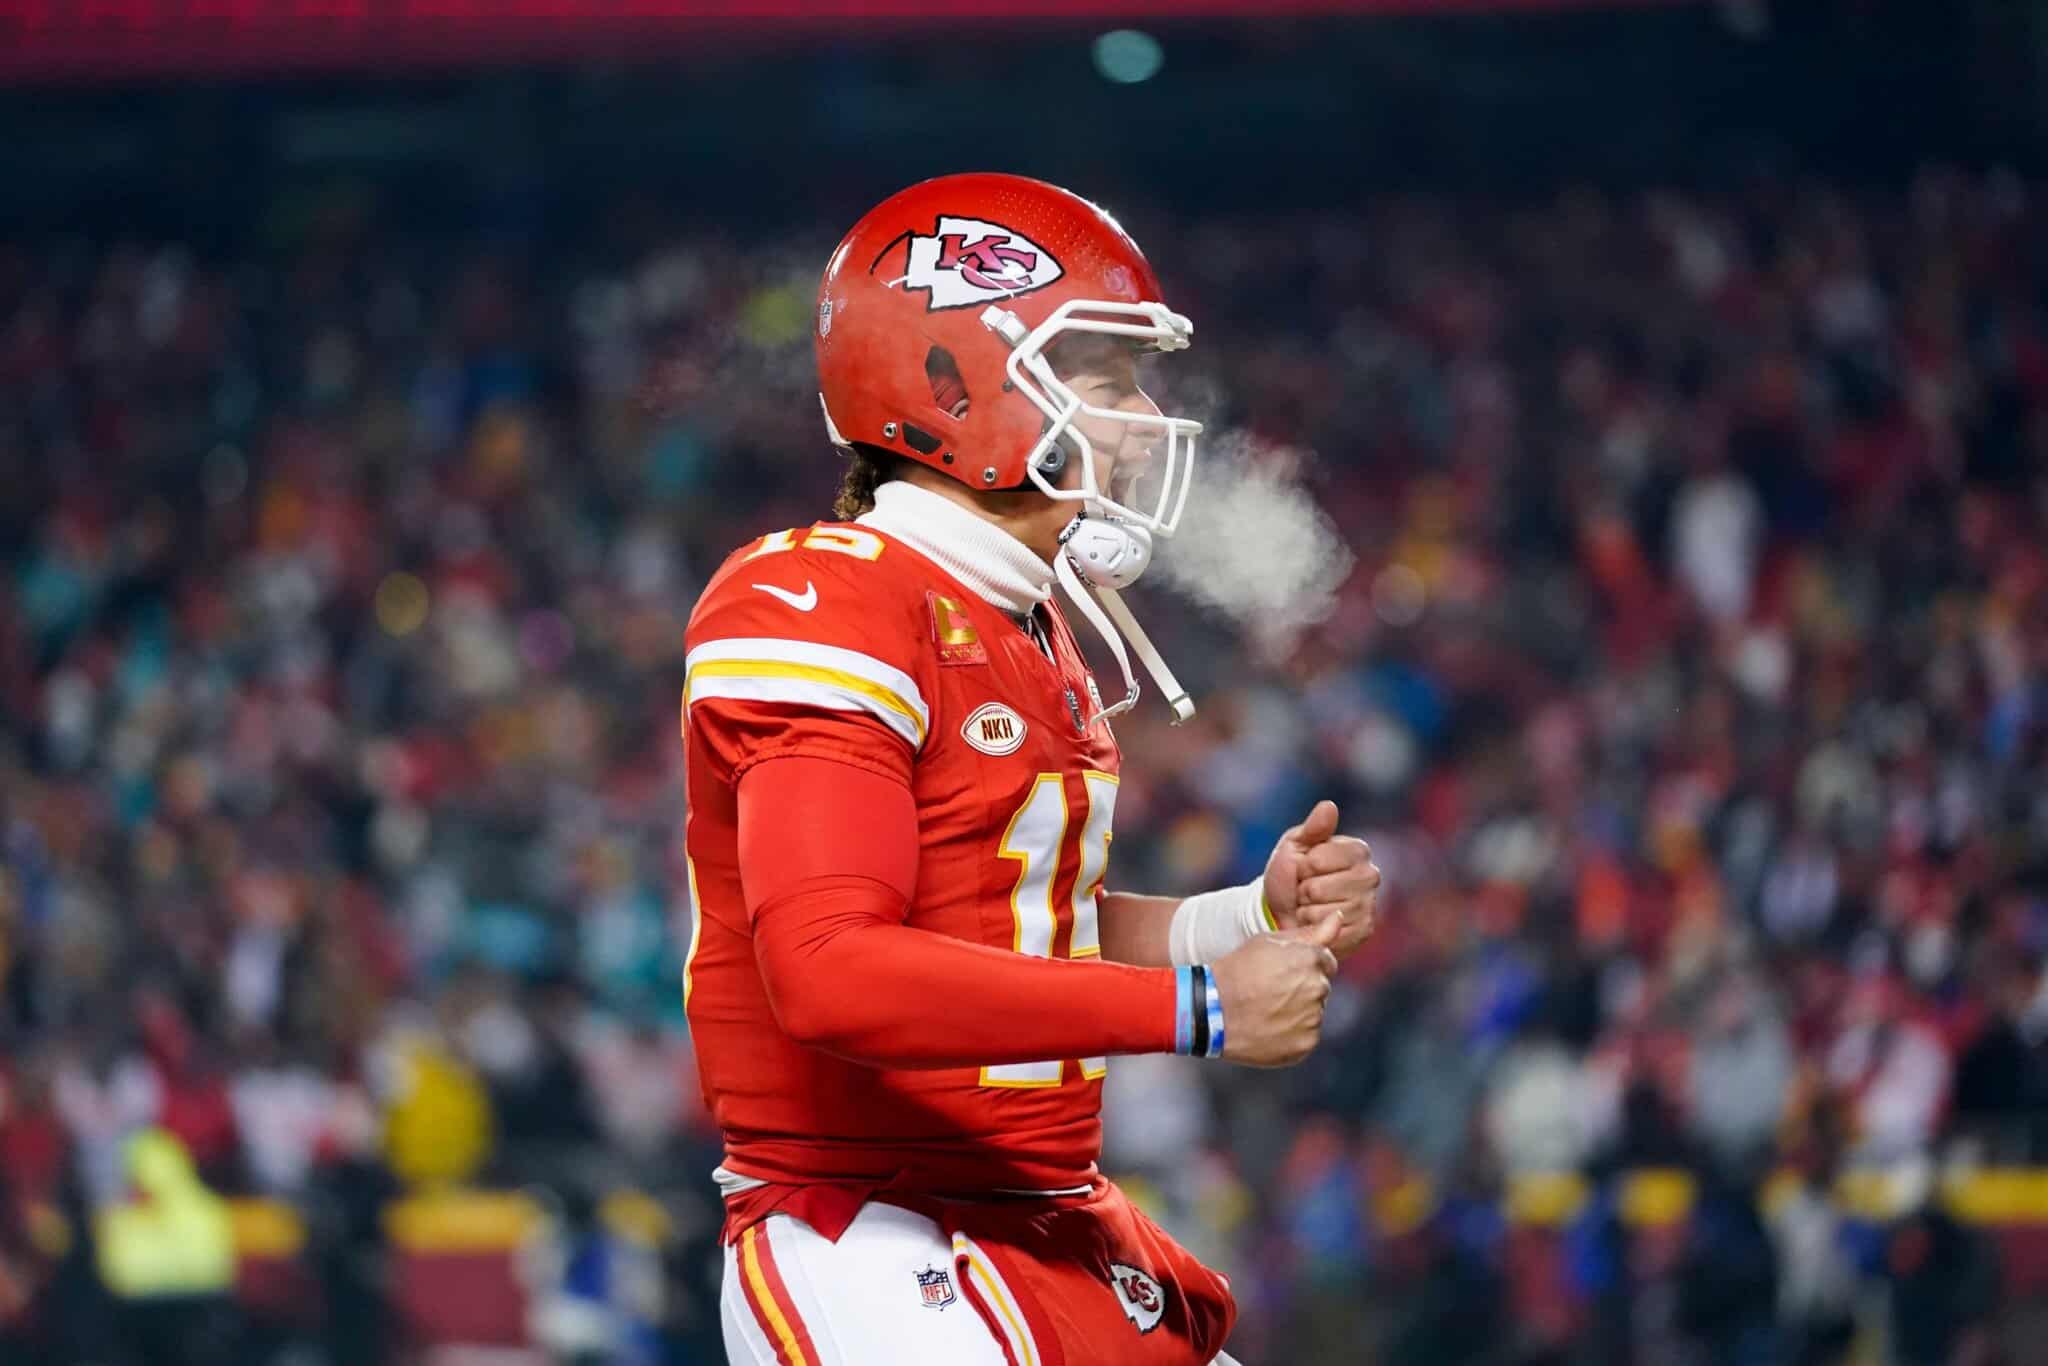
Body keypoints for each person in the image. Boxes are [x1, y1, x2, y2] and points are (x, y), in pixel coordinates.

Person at [680, 173, 1382, 1365]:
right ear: (953, 382)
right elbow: (830, 968)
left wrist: (1237, 917)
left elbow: (1014, 930)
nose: (1138, 412)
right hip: (870, 1228)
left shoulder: (1025, 620)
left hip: (1040, 1214)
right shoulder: (825, 595)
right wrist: (1200, 1009)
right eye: (1103, 374)